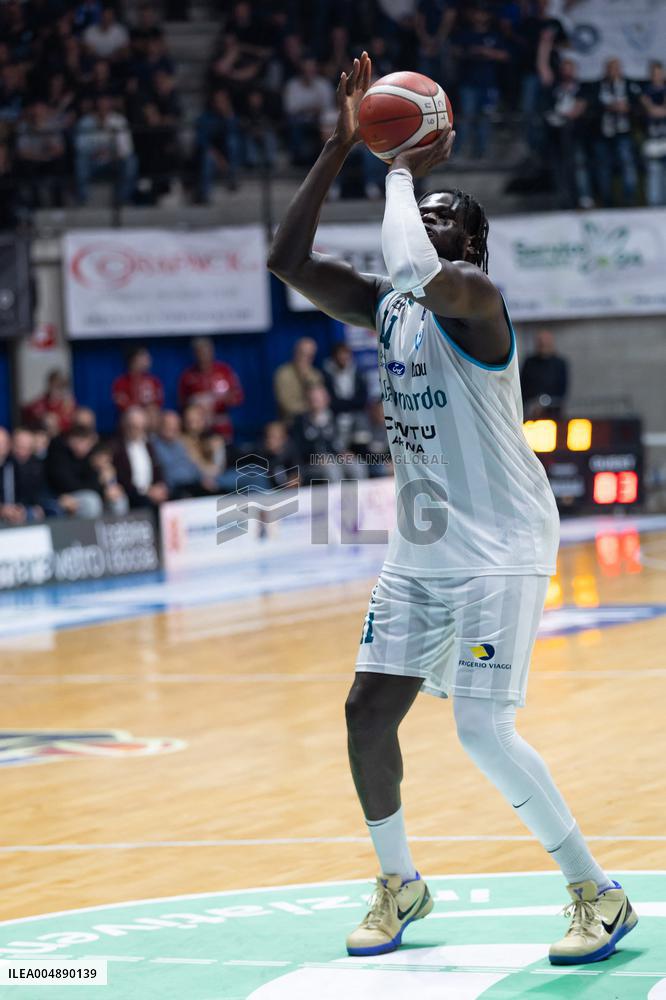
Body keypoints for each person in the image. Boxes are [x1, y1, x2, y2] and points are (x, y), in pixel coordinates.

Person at [268, 51, 637, 966]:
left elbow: (411, 259)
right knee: (365, 713)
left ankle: (598, 893)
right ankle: (400, 884)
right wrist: (338, 145)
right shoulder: (389, 305)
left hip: (503, 543)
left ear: (465, 247)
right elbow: (286, 260)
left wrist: (396, 169)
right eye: (420, 216)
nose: (421, 231)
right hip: (423, 549)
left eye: (440, 221)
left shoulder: (474, 301)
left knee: (480, 725)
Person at [592, 58, 641, 207]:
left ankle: (629, 199)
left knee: (627, 164)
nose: (614, 71)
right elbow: (591, 106)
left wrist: (628, 108)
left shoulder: (628, 85)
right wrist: (608, 107)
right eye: (611, 68)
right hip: (603, 133)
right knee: (603, 167)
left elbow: (638, 106)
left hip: (624, 131)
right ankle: (606, 201)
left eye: (616, 68)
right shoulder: (598, 86)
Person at [75, 94, 137, 205]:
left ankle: (123, 199)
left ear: (110, 105)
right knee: (80, 161)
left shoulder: (119, 120)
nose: (102, 108)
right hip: (93, 162)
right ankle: (83, 200)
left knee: (131, 161)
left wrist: (111, 153)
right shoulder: (85, 122)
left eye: (105, 104)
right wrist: (95, 152)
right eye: (100, 105)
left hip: (114, 161)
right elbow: (80, 148)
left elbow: (126, 149)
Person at [178, 337, 244, 442]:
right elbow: (182, 402)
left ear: (212, 351)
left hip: (221, 425)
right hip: (198, 428)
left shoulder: (225, 371)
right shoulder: (188, 376)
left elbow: (238, 396)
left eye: (206, 351)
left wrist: (218, 399)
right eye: (200, 352)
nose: (203, 355)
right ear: (195, 354)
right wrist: (196, 402)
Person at [113, 406, 169, 508]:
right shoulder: (118, 449)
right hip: (133, 494)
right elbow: (122, 479)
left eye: (140, 427)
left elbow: (158, 469)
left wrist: (160, 486)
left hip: (152, 491)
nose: (137, 430)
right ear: (125, 426)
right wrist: (147, 492)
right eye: (133, 426)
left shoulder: (150, 446)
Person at [151, 409, 216, 497]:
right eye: (168, 425)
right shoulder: (153, 446)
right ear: (161, 426)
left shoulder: (181, 443)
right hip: (174, 489)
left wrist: (202, 478)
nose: (172, 428)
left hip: (192, 485)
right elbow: (164, 473)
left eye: (175, 426)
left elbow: (191, 465)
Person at [273, 337, 324, 423]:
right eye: (302, 354)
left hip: (315, 422)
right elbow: (286, 404)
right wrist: (310, 408)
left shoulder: (315, 374)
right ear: (295, 353)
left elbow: (321, 402)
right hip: (291, 422)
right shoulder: (283, 374)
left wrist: (305, 377)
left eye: (309, 356)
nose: (305, 358)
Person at [521, 328, 569, 418]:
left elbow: (562, 389)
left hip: (553, 410)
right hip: (531, 411)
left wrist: (545, 403)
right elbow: (523, 386)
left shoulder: (560, 363)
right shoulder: (529, 362)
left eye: (546, 341)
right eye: (540, 342)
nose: (543, 344)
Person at [641, 60, 666, 207]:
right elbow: (650, 111)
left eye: (658, 73)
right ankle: (654, 208)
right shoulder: (645, 91)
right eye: (653, 73)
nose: (656, 76)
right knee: (654, 174)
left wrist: (654, 109)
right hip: (652, 140)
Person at [21, 370, 76, 435]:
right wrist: (42, 417)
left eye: (61, 385)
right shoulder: (41, 402)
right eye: (55, 384)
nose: (58, 388)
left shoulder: (69, 403)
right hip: (44, 436)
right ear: (49, 384)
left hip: (64, 437)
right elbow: (27, 412)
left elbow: (71, 422)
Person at [111, 346, 164, 412]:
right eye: (144, 357)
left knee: (171, 419)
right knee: (136, 417)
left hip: (152, 414)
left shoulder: (154, 381)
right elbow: (121, 404)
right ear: (133, 360)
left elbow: (159, 401)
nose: (148, 360)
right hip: (131, 414)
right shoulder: (121, 382)